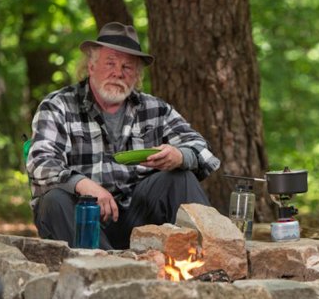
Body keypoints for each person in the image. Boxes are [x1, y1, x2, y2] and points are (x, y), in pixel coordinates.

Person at [27, 22, 220, 250]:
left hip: (138, 218)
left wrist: (180, 155)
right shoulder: (59, 105)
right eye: (110, 63)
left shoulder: (154, 109)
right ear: (91, 66)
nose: (118, 72)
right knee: (54, 200)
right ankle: (105, 274)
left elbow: (205, 153)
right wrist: (83, 184)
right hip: (83, 218)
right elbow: (40, 162)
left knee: (180, 178)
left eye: (127, 67)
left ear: (136, 76)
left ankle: (213, 264)